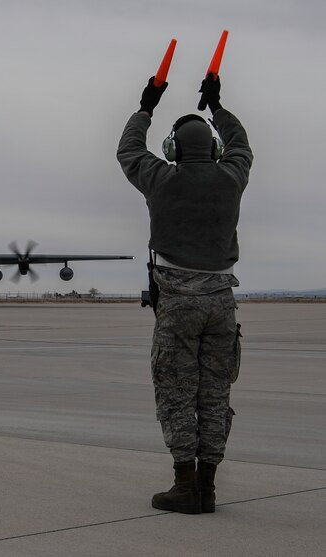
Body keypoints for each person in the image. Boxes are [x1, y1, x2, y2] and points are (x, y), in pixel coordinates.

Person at [117, 74, 252, 514]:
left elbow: (129, 150)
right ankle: (208, 488)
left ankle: (184, 486)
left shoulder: (160, 179)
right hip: (221, 303)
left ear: (172, 150)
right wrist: (217, 106)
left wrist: (146, 106)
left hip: (177, 301)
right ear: (213, 150)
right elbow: (241, 145)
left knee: (176, 392)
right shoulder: (231, 177)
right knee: (214, 396)